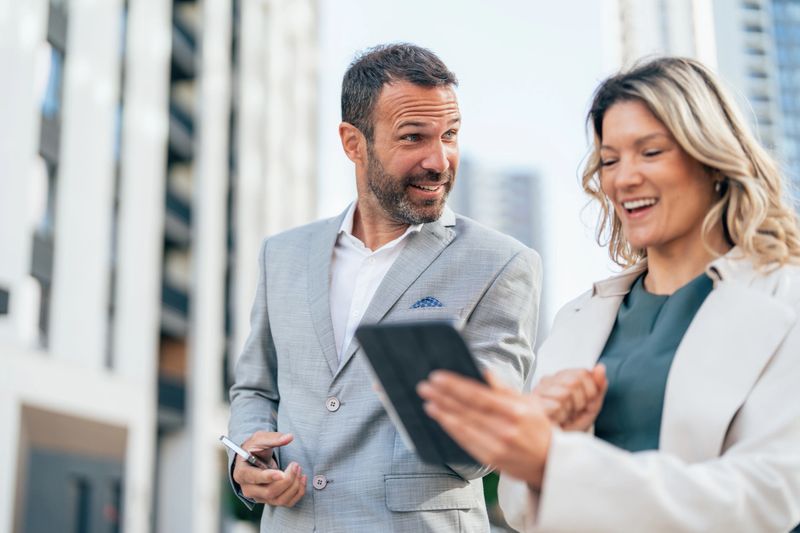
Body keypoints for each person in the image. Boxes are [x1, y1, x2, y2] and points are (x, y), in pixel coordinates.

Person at [418, 56, 800, 532]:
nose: (623, 179)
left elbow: (770, 496)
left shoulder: (785, 300)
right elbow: (518, 508)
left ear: (712, 160)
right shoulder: (578, 318)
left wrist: (556, 458)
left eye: (650, 152)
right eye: (610, 160)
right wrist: (551, 432)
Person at [226, 43, 541, 533]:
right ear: (353, 143)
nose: (439, 161)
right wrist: (245, 458)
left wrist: (434, 402)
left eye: (450, 135)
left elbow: (481, 454)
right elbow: (255, 387)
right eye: (414, 137)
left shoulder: (502, 264)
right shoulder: (281, 255)